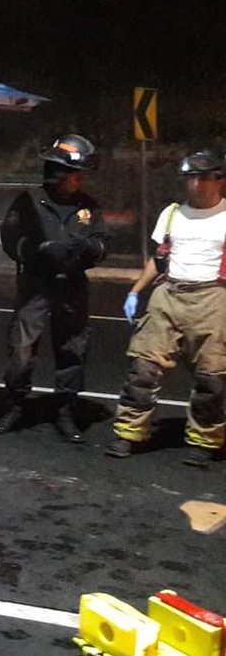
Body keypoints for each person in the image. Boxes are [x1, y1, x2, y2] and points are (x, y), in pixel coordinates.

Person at [101, 150, 226, 467]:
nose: (195, 185)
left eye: (203, 177)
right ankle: (129, 432)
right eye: (190, 178)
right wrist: (135, 291)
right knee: (143, 368)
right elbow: (158, 260)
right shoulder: (172, 214)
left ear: (219, 180)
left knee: (212, 378)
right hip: (168, 295)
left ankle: (205, 440)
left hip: (212, 299)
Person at [0, 134, 107, 442]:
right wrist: (40, 250)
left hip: (72, 287)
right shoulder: (29, 201)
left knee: (72, 350)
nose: (79, 179)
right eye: (74, 173)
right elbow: (11, 239)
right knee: (21, 350)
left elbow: (103, 242)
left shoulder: (88, 206)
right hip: (36, 286)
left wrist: (89, 248)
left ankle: (66, 411)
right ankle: (14, 405)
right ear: (57, 172)